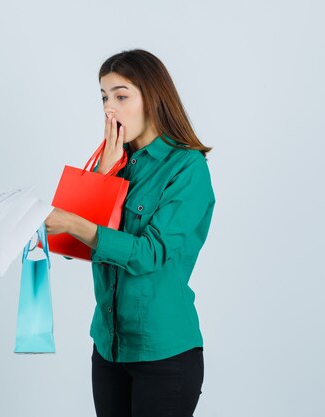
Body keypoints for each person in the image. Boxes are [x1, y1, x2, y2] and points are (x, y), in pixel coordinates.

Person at [44, 49, 215, 417]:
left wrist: (74, 221)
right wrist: (102, 175)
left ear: (152, 97)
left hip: (164, 352)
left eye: (121, 96)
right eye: (104, 97)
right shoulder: (113, 163)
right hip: (108, 347)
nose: (110, 109)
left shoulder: (187, 168)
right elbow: (75, 247)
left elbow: (149, 253)